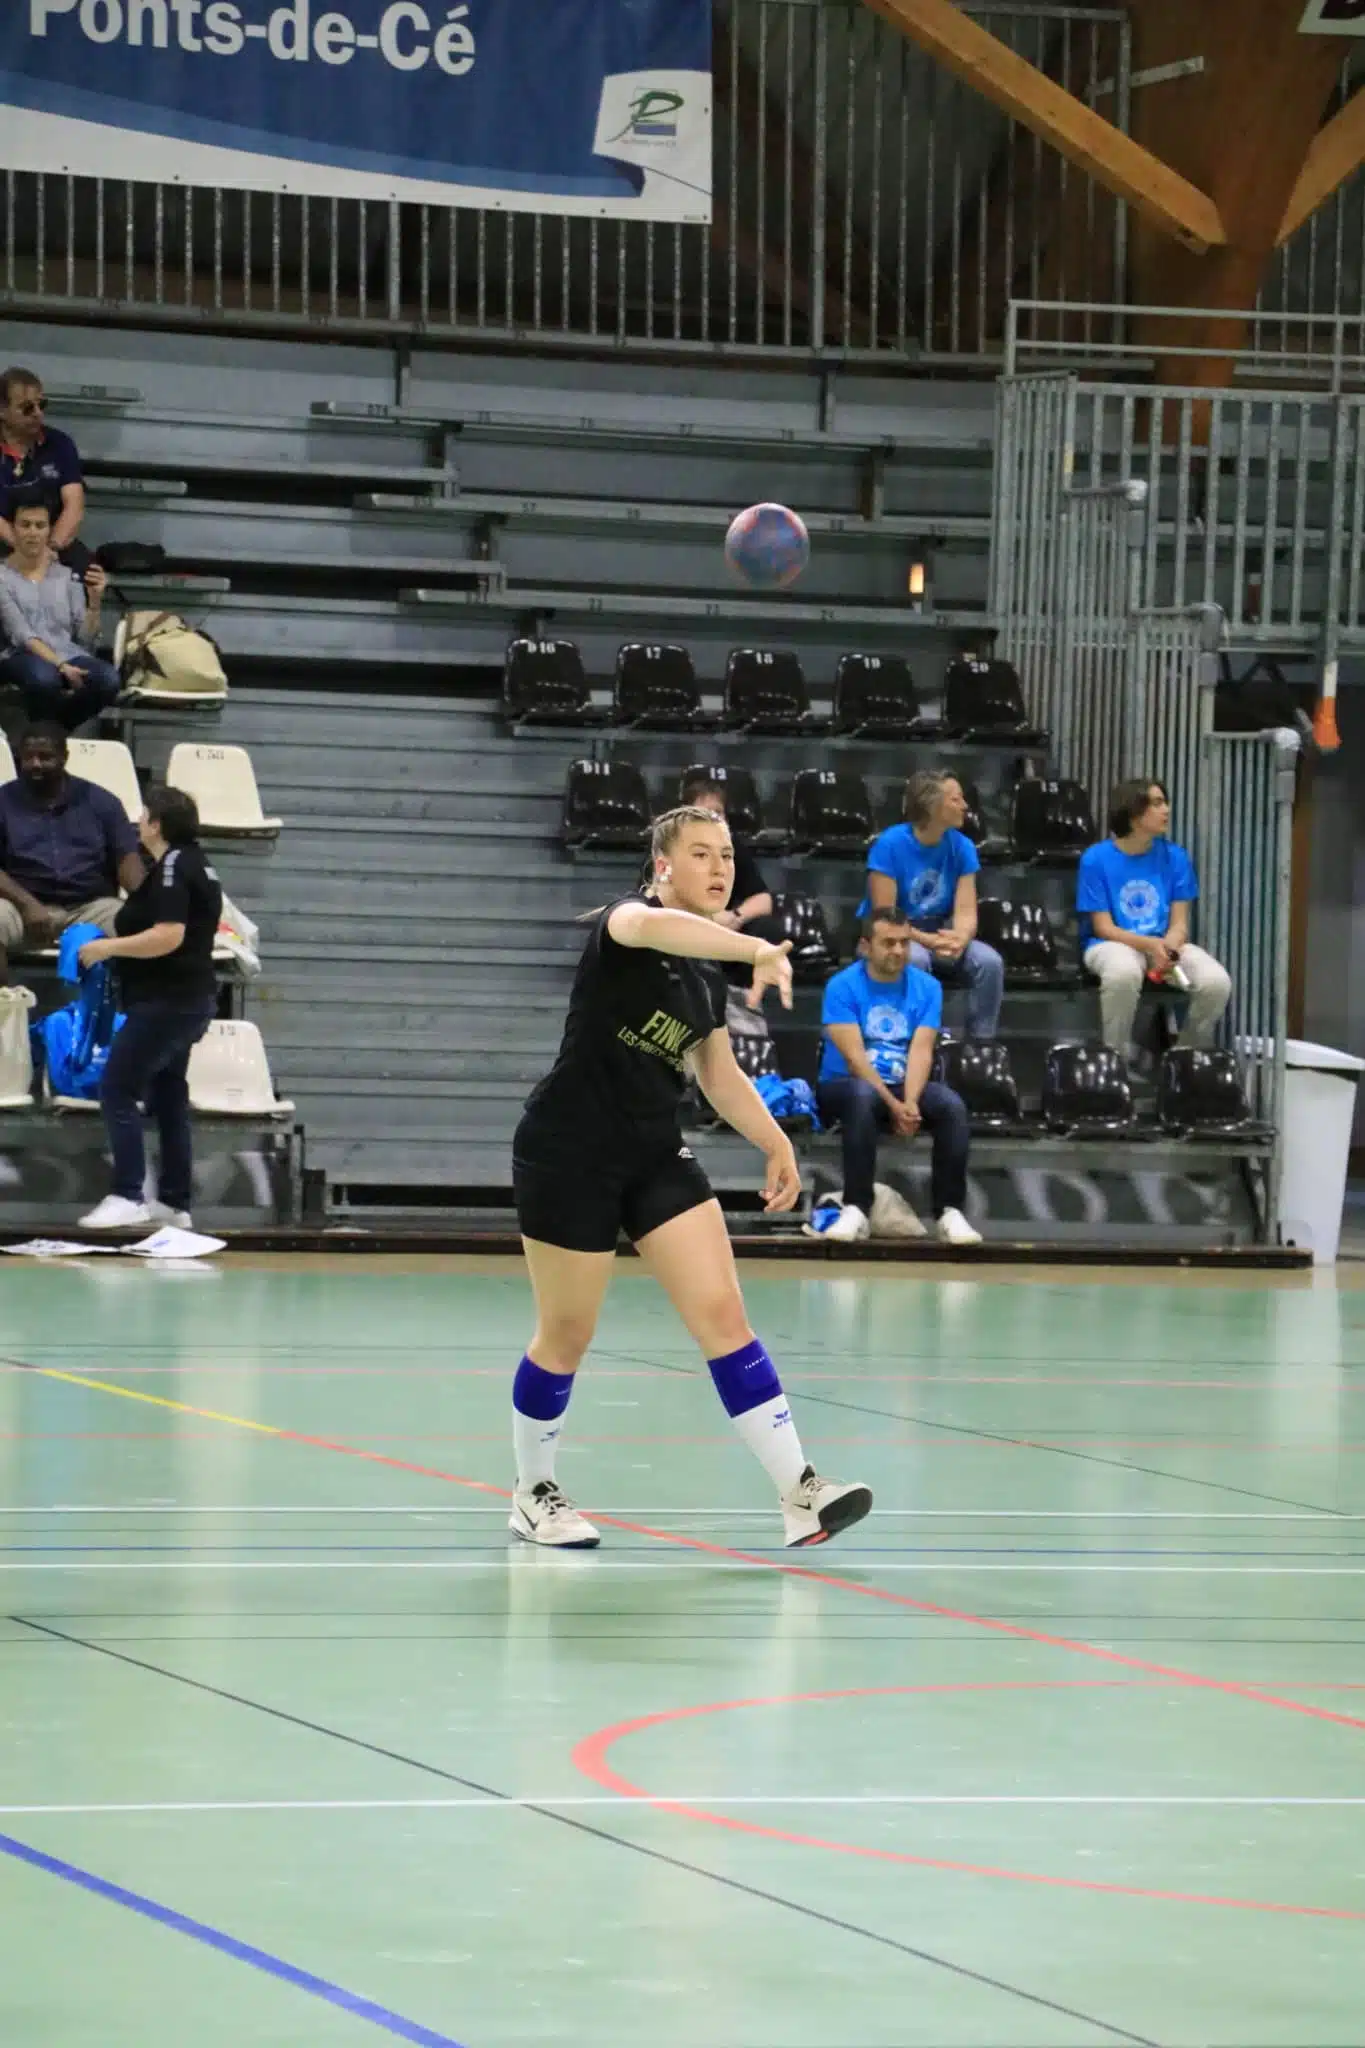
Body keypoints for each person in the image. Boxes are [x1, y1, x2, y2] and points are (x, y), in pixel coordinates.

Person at [509, 802, 872, 1551]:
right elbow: (657, 928)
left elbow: (716, 1071)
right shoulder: (627, 924)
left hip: (652, 1152)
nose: (719, 867)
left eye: (727, 855)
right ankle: (533, 1492)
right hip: (569, 1148)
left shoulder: (704, 973)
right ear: (662, 866)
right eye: (701, 854)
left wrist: (775, 1142)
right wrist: (755, 948)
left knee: (724, 1316)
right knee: (566, 1334)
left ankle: (799, 1491)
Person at [76, 786, 222, 1232]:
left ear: (157, 824)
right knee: (169, 1094)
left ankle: (128, 1194)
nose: (138, 822)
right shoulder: (193, 863)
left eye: (144, 815)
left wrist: (106, 948)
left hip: (168, 1002)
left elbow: (168, 935)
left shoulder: (176, 864)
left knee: (117, 1087)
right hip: (186, 1000)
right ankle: (175, 1202)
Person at [816, 907, 981, 1248]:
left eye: (904, 943)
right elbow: (855, 1060)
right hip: (843, 1086)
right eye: (888, 943)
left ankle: (949, 1211)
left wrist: (910, 1102)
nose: (898, 950)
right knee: (862, 1096)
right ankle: (856, 1208)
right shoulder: (841, 986)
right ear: (866, 946)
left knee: (951, 1105)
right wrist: (895, 1105)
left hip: (902, 1086)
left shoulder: (928, 987)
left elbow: (921, 1051)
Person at [1077, 777, 1232, 1061]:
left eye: (1165, 802)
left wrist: (1169, 947)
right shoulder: (1095, 859)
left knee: (1216, 982)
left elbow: (1179, 924)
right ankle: (1115, 1058)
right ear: (1134, 812)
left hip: (1163, 944)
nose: (1166, 810)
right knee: (1123, 973)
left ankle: (1183, 1058)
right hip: (1110, 944)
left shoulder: (1176, 857)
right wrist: (1151, 945)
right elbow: (1103, 927)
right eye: (1157, 803)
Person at [862, 769, 1003, 1038]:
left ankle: (981, 1044)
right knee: (914, 958)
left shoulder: (963, 847)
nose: (965, 806)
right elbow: (885, 918)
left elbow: (966, 911)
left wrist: (960, 938)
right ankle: (912, 1038)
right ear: (932, 806)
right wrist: (928, 941)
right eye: (956, 799)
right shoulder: (889, 844)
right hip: (893, 933)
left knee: (989, 962)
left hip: (940, 931)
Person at [0, 723, 142, 984]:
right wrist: (27, 904)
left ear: (64, 757)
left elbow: (127, 858)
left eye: (45, 757)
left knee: (138, 925)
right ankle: (6, 1003)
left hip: (90, 906)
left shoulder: (101, 801)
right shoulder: (3, 800)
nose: (35, 764)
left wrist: (150, 900)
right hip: (21, 905)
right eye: (28, 757)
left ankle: (128, 1008)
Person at [0, 501, 119, 729]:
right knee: (45, 678)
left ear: (49, 531)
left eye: (40, 526)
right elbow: (21, 634)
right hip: (20, 655)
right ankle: (46, 736)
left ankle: (56, 731)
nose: (33, 532)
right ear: (13, 529)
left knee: (108, 679)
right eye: (25, 525)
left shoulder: (67, 576)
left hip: (68, 652)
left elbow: (84, 639)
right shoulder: (3, 577)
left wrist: (95, 602)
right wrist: (61, 665)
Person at [0, 367, 87, 565]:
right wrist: (25, 549)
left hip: (53, 542)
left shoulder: (60, 443)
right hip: (5, 541)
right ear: (2, 411)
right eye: (27, 408)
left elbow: (74, 504)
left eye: (41, 405)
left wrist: (51, 547)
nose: (38, 413)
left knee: (88, 573)